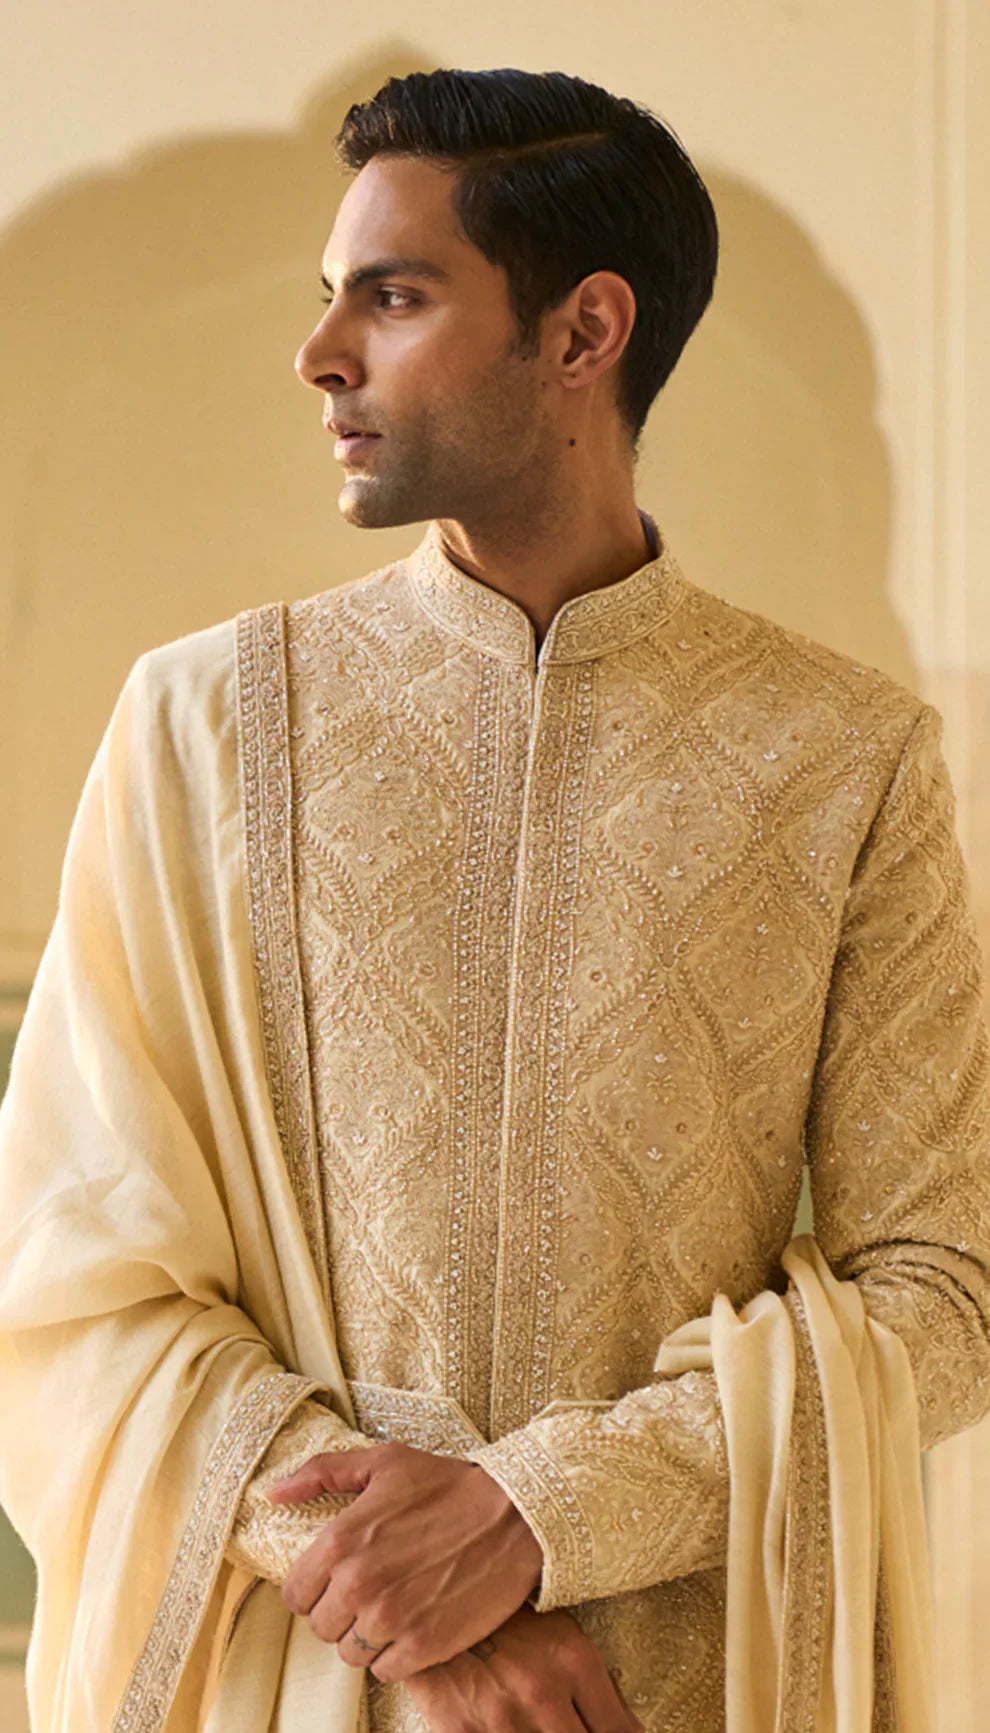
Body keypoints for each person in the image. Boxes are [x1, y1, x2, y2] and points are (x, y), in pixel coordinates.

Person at [0, 64, 988, 1733]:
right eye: (332, 299)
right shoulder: (208, 722)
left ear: (582, 333)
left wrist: (542, 1513)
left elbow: (938, 1293)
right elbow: (70, 1273)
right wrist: (416, 1598)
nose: (320, 355)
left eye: (391, 297)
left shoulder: (841, 758)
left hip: (669, 1678)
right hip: (292, 1669)